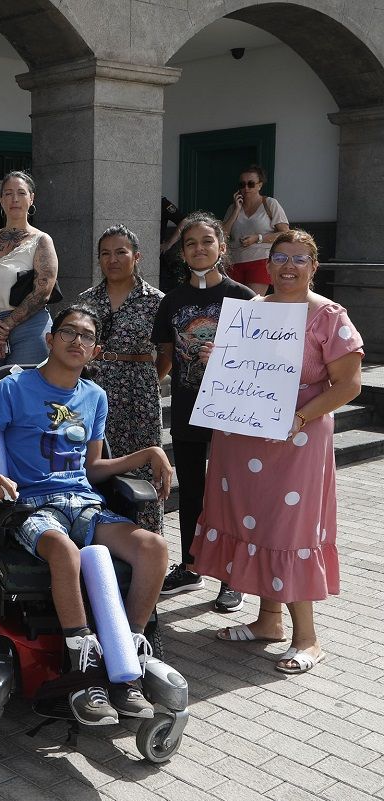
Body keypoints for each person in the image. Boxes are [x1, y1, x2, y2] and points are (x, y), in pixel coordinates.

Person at [0, 306, 171, 725]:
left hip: (83, 503)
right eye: (69, 332)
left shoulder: (95, 397)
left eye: (87, 336)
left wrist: (150, 452)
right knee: (64, 549)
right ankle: (83, 673)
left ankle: (125, 660)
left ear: (96, 350)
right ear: (50, 339)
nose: (78, 341)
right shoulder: (14, 389)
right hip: (32, 504)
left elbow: (92, 468)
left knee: (154, 548)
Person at [191, 230, 362, 674]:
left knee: (290, 528)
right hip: (242, 435)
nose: (289, 266)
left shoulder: (329, 315)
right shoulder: (249, 312)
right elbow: (235, 367)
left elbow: (349, 384)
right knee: (257, 521)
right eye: (280, 257)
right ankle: (269, 621)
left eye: (299, 258)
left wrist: (300, 418)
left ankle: (308, 637)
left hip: (297, 439)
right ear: (266, 265)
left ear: (314, 266)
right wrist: (219, 357)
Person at [152, 212, 255, 610]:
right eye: (191, 243)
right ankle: (193, 565)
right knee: (192, 489)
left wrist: (229, 358)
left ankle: (233, 575)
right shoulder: (172, 301)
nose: (199, 249)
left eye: (206, 242)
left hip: (234, 413)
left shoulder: (245, 298)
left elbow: (262, 361)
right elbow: (163, 359)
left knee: (231, 492)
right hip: (188, 407)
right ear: (183, 251)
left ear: (222, 247)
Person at [75, 225, 165, 534]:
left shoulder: (155, 300)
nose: (112, 259)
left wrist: (146, 378)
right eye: (105, 254)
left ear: (137, 256)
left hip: (139, 393)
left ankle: (147, 541)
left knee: (142, 467)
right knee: (95, 461)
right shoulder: (86, 300)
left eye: (120, 252)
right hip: (91, 388)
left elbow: (165, 353)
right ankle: (100, 535)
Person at [0, 170, 59, 410]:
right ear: (1, 200)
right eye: (8, 193)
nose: (14, 198)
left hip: (29, 327)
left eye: (21, 193)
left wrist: (5, 327)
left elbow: (43, 291)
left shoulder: (41, 240)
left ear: (31, 199)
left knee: (24, 402)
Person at [220, 164, 289, 296]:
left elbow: (285, 233)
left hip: (260, 259)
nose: (246, 188)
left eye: (251, 184)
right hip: (235, 261)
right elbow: (223, 235)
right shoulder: (233, 208)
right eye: (242, 184)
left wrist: (258, 238)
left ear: (260, 185)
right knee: (233, 303)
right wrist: (236, 210)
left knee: (253, 302)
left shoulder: (270, 204)